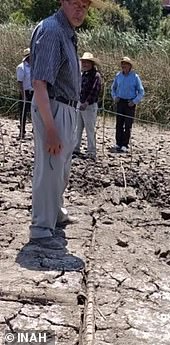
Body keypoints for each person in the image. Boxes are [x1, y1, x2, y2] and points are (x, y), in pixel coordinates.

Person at [29, 0, 102, 250]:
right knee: (49, 168)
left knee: (61, 168)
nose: (80, 9)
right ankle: (41, 228)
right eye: (75, 3)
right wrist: (50, 129)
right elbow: (39, 83)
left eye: (85, 5)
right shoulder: (52, 31)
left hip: (67, 107)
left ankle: (55, 214)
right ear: (63, 2)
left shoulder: (66, 32)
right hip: (54, 106)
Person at [111, 57, 144, 153]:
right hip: (120, 101)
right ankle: (118, 143)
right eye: (122, 64)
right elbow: (113, 88)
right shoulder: (118, 76)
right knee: (119, 124)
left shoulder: (135, 77)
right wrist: (114, 97)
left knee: (128, 124)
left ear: (130, 66)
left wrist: (134, 101)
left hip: (130, 103)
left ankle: (125, 144)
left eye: (126, 64)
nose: (123, 66)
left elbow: (141, 91)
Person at [74, 52, 102, 160]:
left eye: (86, 62)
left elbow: (95, 90)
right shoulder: (82, 75)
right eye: (83, 62)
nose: (84, 64)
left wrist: (86, 102)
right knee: (78, 128)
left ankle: (91, 151)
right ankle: (76, 148)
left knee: (90, 129)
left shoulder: (96, 76)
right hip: (79, 103)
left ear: (91, 63)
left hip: (89, 106)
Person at [16, 48, 33, 139]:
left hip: (34, 92)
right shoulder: (21, 67)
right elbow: (20, 82)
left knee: (35, 112)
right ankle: (22, 131)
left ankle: (35, 130)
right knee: (23, 113)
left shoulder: (34, 67)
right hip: (25, 92)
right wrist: (23, 96)